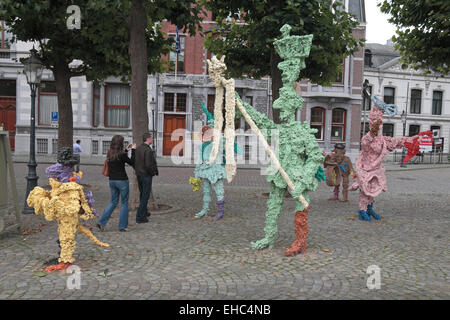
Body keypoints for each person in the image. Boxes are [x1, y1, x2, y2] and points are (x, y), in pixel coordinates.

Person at [97, 135, 136, 231]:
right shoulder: (122, 155)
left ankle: (101, 222)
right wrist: (133, 150)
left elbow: (119, 157)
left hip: (112, 180)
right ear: (121, 144)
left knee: (113, 202)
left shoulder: (109, 153)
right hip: (122, 180)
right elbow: (132, 162)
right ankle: (122, 226)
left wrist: (127, 151)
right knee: (124, 203)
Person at [134, 132, 158, 224]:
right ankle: (140, 216)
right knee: (145, 196)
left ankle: (144, 212)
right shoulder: (147, 150)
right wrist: (153, 172)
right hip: (146, 175)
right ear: (147, 139)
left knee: (142, 195)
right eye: (151, 138)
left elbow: (135, 161)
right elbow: (148, 165)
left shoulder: (139, 148)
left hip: (139, 174)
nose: (152, 139)